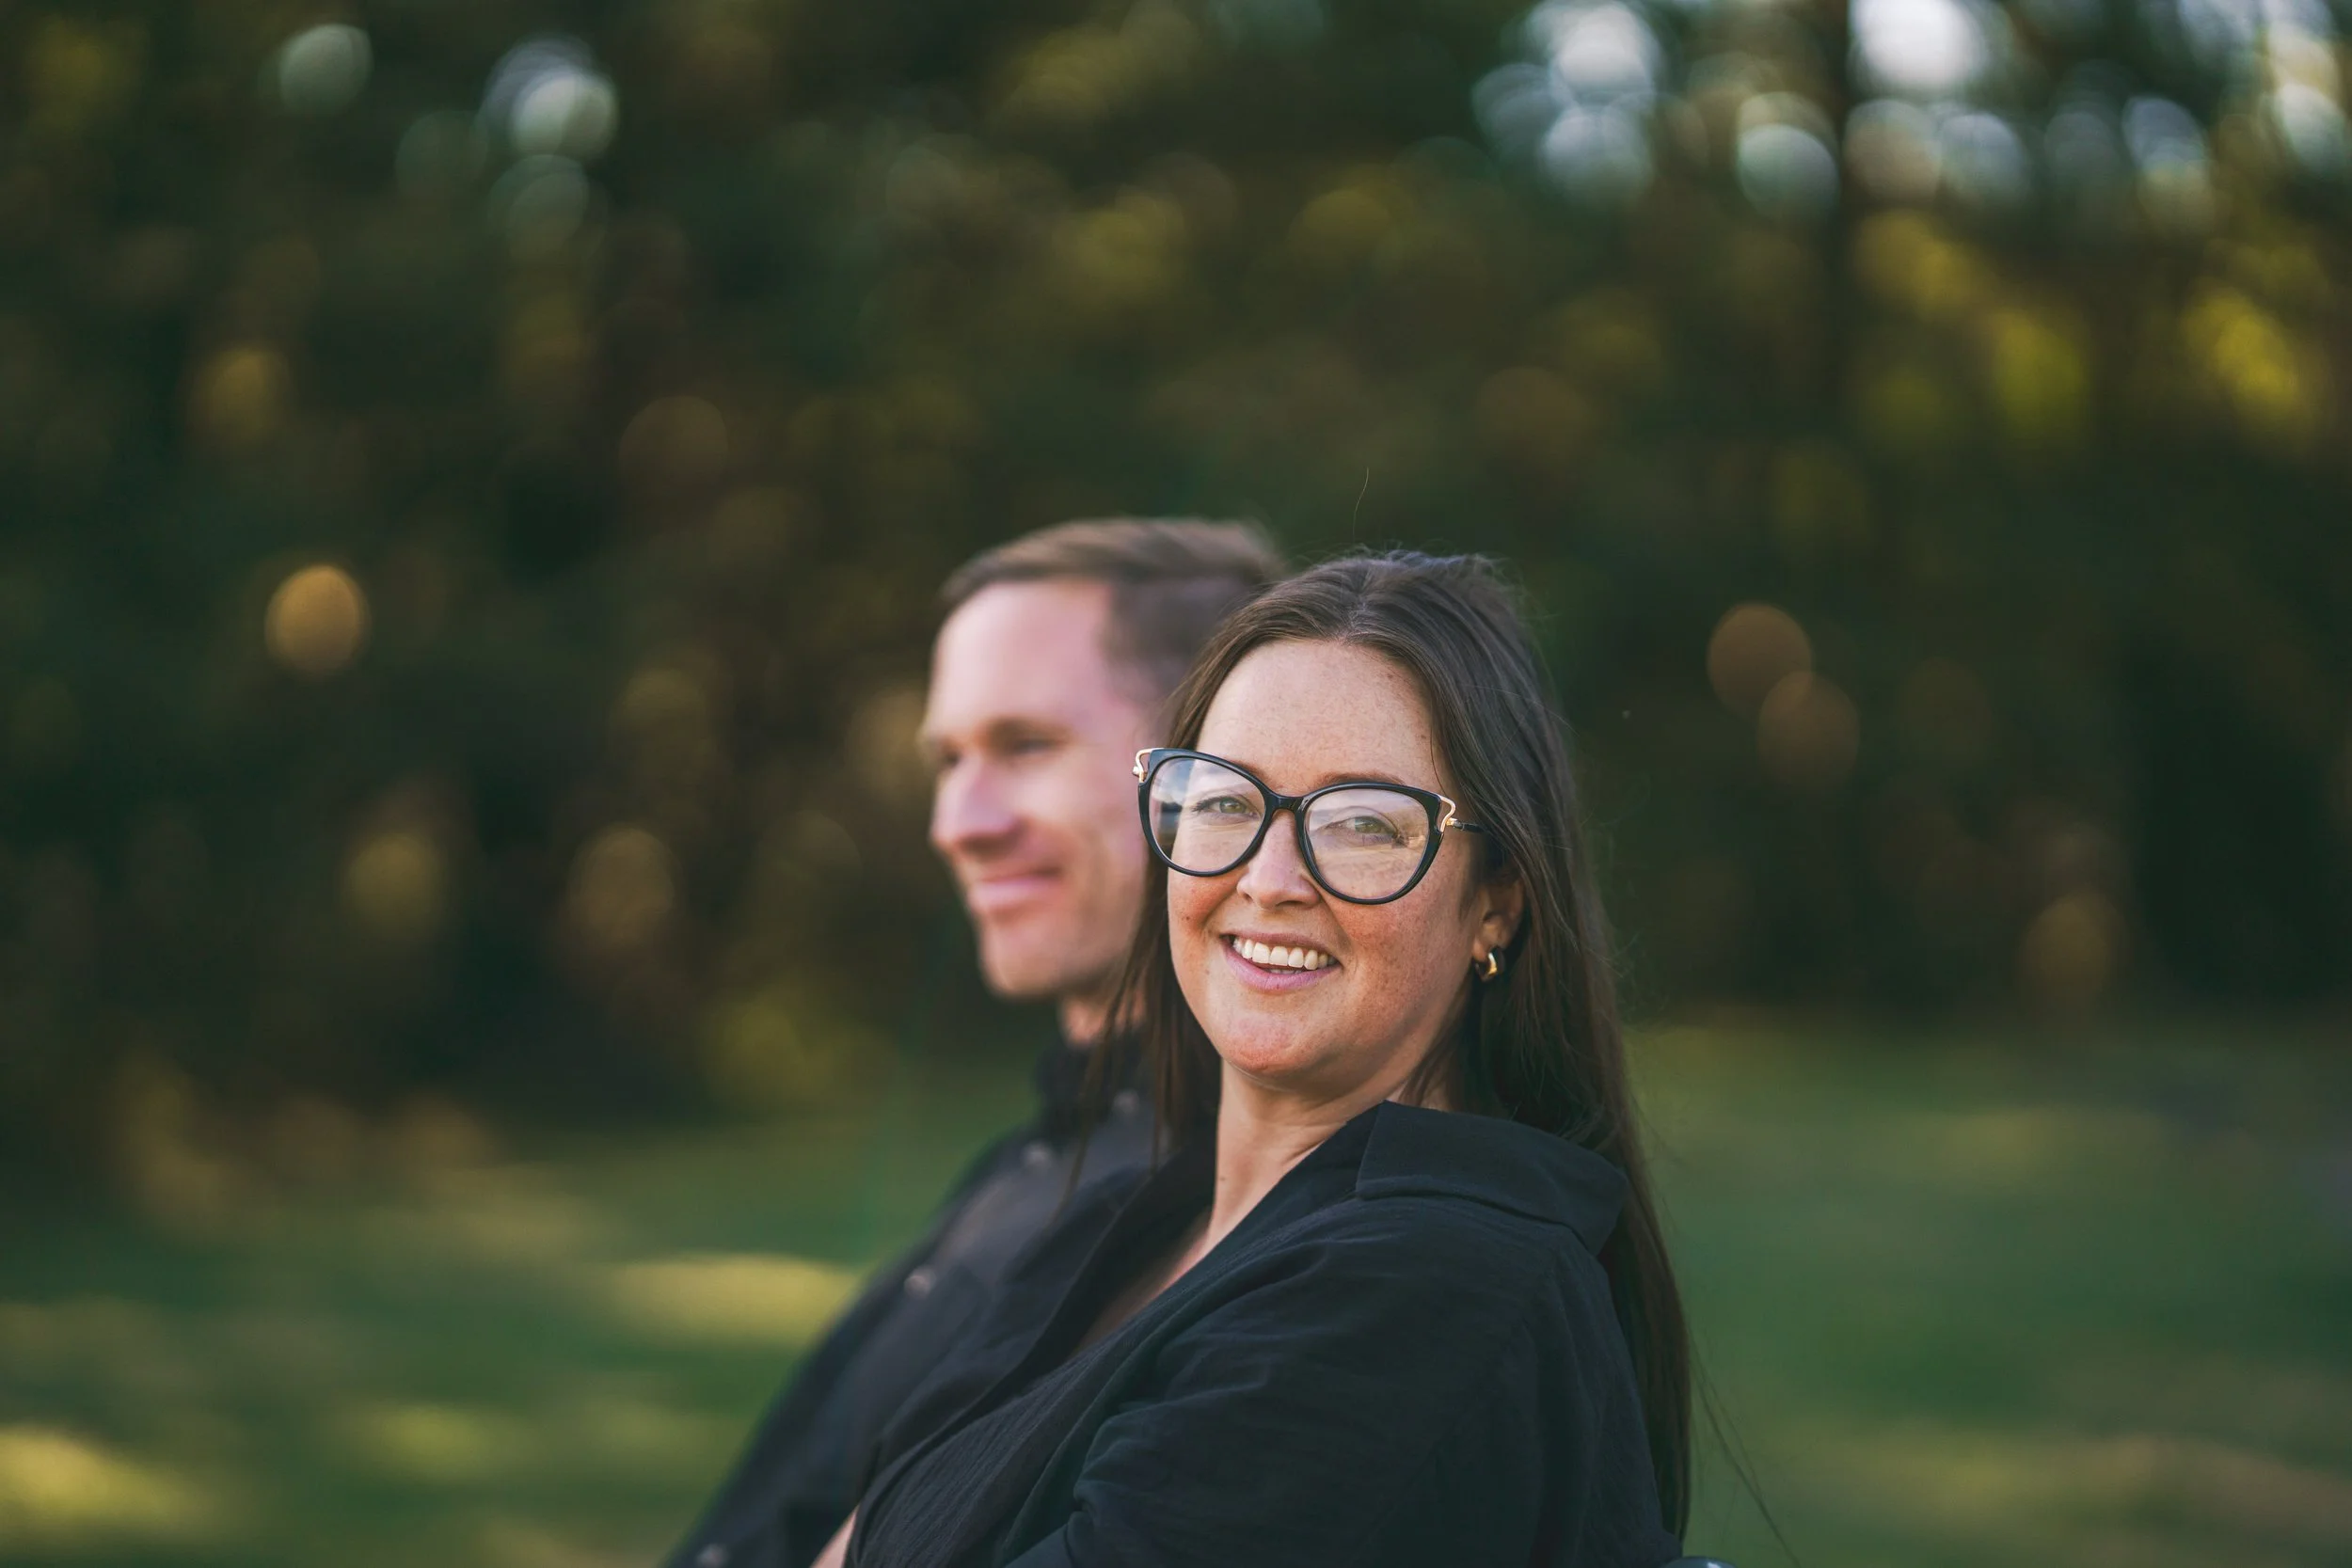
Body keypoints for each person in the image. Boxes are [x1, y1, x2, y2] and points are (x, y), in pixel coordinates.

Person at [827, 551, 1691, 1568]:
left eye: (1364, 821)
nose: (1269, 878)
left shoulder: (1427, 1291)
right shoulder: (1122, 1219)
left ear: (1495, 898)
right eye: (1225, 802)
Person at [665, 519, 1283, 1568]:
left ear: (1212, 773)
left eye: (1026, 745)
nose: (958, 819)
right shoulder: (1046, 1149)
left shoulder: (1202, 1201)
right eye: (948, 758)